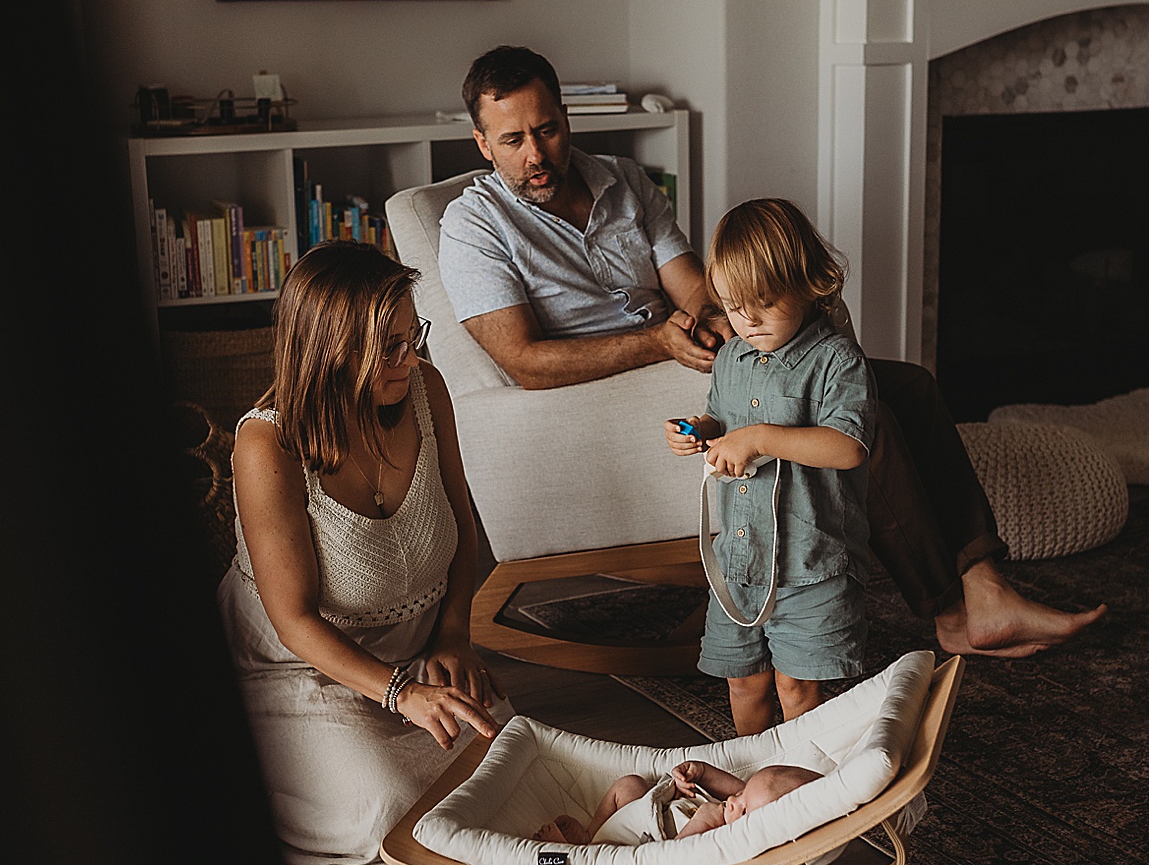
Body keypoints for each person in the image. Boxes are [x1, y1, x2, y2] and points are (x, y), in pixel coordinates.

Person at [438, 44, 1106, 659]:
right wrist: (656, 342)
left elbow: (693, 285)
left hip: (693, 357)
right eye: (513, 139)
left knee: (911, 386)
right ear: (481, 143)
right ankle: (949, 612)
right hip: (616, 391)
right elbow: (523, 359)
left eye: (547, 130)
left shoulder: (622, 180)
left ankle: (985, 586)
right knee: (862, 412)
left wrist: (708, 319)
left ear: (566, 118)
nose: (536, 155)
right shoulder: (474, 225)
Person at [217, 240, 508, 865]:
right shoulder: (267, 445)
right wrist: (399, 693)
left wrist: (455, 636)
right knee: (390, 814)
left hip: (420, 647)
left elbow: (464, 527)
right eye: (389, 346)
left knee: (508, 758)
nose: (410, 358)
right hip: (302, 669)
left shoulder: (426, 390)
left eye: (413, 335)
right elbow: (293, 620)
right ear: (327, 350)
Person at [665, 198, 875, 733]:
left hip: (808, 564)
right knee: (745, 680)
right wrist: (701, 431)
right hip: (739, 561)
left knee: (796, 685)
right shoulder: (732, 357)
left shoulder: (837, 360)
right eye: (734, 306)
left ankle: (801, 782)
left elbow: (848, 447)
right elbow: (721, 416)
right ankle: (755, 780)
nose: (748, 320)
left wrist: (760, 438)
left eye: (763, 301)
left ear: (808, 282)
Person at [536, 759, 824, 846]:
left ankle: (580, 850)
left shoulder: (722, 836)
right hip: (646, 808)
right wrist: (700, 772)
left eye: (744, 808)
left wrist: (704, 821)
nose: (734, 800)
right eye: (742, 793)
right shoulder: (738, 804)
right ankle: (591, 831)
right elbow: (734, 790)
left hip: (636, 840)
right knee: (629, 784)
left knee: (611, 858)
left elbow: (680, 854)